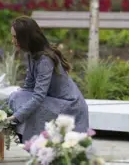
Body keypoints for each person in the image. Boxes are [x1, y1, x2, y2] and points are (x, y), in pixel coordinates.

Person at [7, 15, 89, 143]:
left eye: (15, 37)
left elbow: (38, 96)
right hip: (54, 101)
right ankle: (26, 137)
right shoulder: (32, 55)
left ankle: (33, 142)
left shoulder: (45, 60)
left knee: (25, 102)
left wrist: (15, 117)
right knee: (16, 96)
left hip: (69, 106)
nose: (12, 41)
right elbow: (28, 87)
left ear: (26, 38)